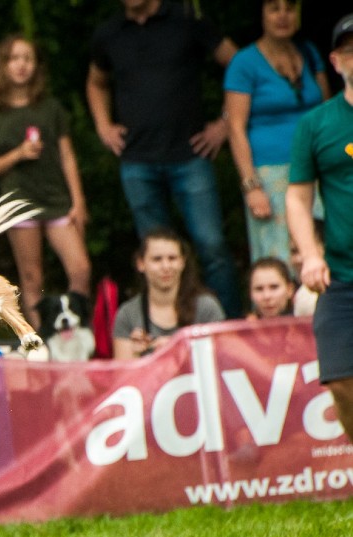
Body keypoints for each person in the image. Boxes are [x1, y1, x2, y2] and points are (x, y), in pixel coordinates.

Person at [87, 0, 242, 319]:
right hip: (137, 160)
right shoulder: (110, 32)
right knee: (156, 257)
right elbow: (96, 82)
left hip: (190, 155)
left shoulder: (187, 17)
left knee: (212, 248)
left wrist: (226, 122)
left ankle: (230, 329)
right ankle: (166, 330)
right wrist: (103, 125)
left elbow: (239, 64)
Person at [0, 33, 91, 330]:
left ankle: (79, 333)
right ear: (3, 65)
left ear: (36, 66)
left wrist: (78, 202)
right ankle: (42, 341)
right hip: (18, 204)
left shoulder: (50, 108)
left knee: (80, 267)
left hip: (57, 200)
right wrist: (18, 154)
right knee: (32, 278)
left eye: (27, 58)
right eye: (14, 58)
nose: (21, 65)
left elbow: (68, 156)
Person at [286, 13, 353, 442]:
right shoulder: (315, 124)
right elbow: (296, 196)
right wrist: (310, 254)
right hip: (342, 275)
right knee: (342, 383)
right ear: (335, 60)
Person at [225, 0, 331, 265]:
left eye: (289, 8)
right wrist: (251, 186)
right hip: (270, 174)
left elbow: (329, 110)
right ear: (261, 15)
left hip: (316, 168)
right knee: (278, 254)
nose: (283, 15)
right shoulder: (244, 62)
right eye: (274, 8)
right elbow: (235, 127)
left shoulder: (308, 53)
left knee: (323, 246)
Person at [112, 228, 225, 359]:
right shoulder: (127, 314)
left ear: (182, 262)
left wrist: (177, 349)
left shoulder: (207, 307)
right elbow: (123, 376)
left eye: (172, 258)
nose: (166, 266)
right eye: (157, 259)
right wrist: (136, 355)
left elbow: (221, 362)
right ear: (141, 264)